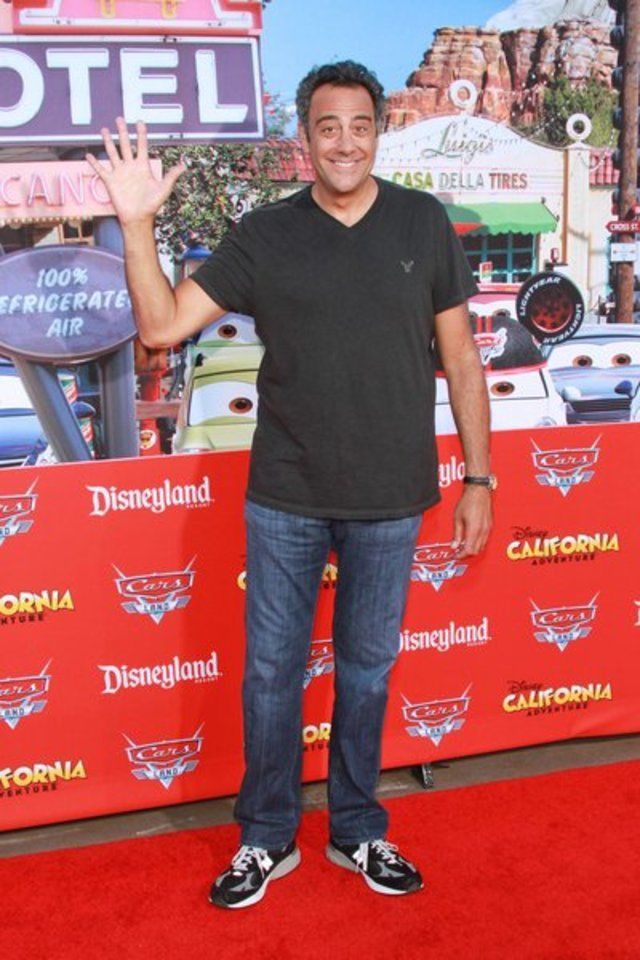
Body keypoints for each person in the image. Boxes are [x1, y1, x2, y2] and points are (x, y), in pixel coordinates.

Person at [88, 60, 493, 910]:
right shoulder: (264, 234)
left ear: (378, 133)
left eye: (359, 126)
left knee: (368, 674)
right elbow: (161, 327)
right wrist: (136, 224)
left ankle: (357, 830)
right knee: (271, 675)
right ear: (304, 138)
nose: (344, 143)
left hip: (392, 496)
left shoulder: (422, 222)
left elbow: (461, 360)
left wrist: (479, 477)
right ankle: (266, 837)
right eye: (327, 127)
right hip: (285, 496)